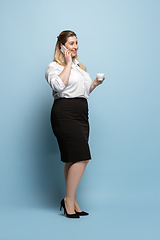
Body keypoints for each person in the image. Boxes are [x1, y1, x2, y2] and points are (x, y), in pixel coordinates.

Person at [45, 30, 104, 218]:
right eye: (71, 43)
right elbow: (58, 86)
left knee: (72, 157)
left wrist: (93, 84)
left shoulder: (79, 66)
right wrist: (68, 63)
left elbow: (83, 92)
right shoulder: (54, 67)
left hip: (81, 112)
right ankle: (68, 200)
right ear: (62, 46)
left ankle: (73, 201)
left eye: (76, 42)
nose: (75, 46)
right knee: (82, 156)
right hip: (64, 113)